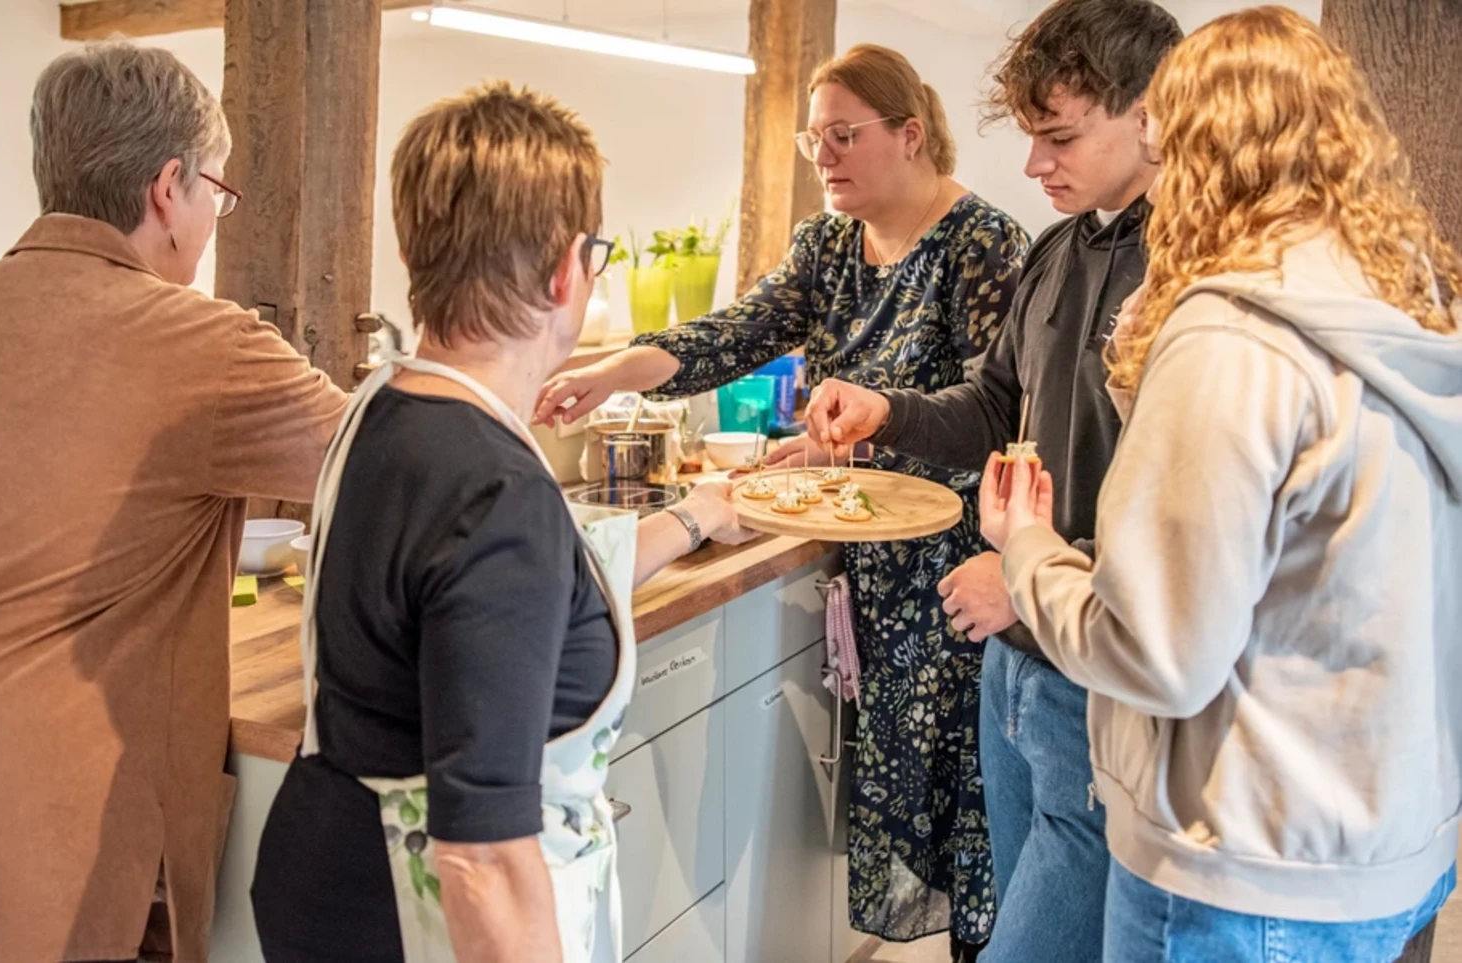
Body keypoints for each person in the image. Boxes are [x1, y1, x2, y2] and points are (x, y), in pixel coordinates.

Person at [979, 7, 1462, 962]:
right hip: (1372, 835)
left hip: (1237, 863)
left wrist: (1027, 551)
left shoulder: (1233, 333)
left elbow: (1158, 650)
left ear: (1197, 145)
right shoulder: (1401, 308)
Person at [536, 43, 1027, 956]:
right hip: (872, 564)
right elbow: (731, 335)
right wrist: (609, 371)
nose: (825, 158)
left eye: (842, 136)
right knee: (901, 799)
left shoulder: (984, 245)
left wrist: (881, 421)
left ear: (911, 133)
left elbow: (997, 408)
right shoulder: (828, 245)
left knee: (972, 815)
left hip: (960, 566)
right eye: (813, 142)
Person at [250, 81, 750, 963]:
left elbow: (533, 586)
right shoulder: (493, 486)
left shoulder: (383, 409)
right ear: (569, 272)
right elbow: (483, 852)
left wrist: (693, 519)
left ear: (413, 248)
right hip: (421, 923)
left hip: (329, 873)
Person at [0, 43, 348, 963]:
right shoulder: (202, 341)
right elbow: (392, 466)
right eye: (218, 195)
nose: (212, 219)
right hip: (63, 856)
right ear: (169, 187)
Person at [802, 3, 1179, 960]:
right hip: (1013, 658)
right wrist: (889, 407)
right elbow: (989, 408)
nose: (1033, 165)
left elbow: (1182, 510)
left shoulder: (1189, 267)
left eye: (1060, 136)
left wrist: (1025, 575)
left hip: (1098, 667)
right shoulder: (1056, 252)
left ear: (1151, 113)